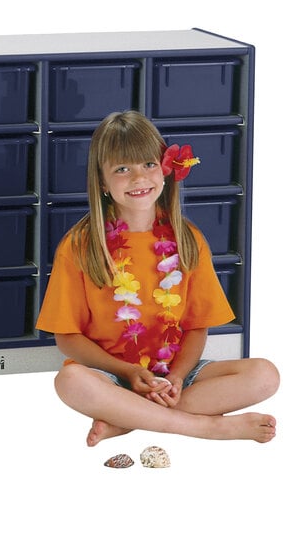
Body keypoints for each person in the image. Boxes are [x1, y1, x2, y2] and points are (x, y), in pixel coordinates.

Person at [37, 111, 279, 445]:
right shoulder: (80, 246)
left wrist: (178, 375)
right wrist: (128, 372)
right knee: (70, 381)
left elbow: (196, 326)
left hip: (174, 373)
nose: (138, 178)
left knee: (265, 375)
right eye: (122, 169)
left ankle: (126, 419)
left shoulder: (187, 240)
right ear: (103, 182)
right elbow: (67, 338)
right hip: (110, 375)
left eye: (148, 165)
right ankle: (207, 427)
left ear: (166, 171)